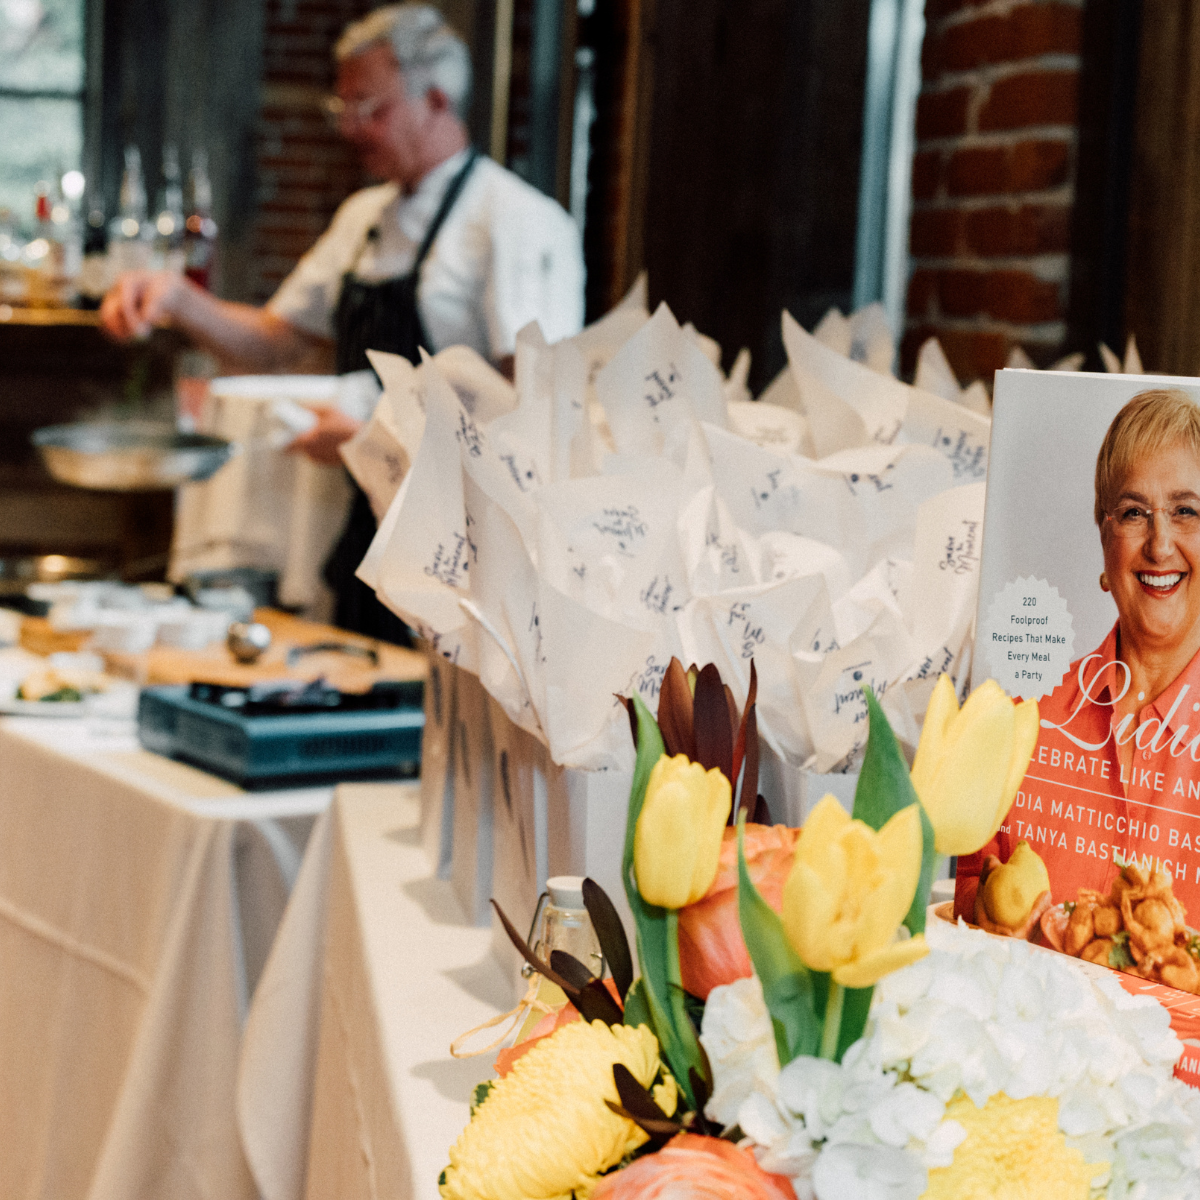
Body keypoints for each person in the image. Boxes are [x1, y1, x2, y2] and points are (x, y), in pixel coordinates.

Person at [100, 3, 585, 640]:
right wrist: (175, 299)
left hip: (469, 550)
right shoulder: (364, 218)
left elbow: (533, 411)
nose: (351, 127)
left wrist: (378, 442)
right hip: (369, 530)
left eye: (370, 108)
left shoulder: (516, 221)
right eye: (342, 108)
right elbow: (274, 343)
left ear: (436, 100)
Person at [956, 388, 1200, 927]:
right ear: (1104, 539)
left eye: (1186, 511)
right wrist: (989, 913)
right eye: (1135, 512)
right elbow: (967, 894)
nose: (1160, 545)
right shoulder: (1024, 720)